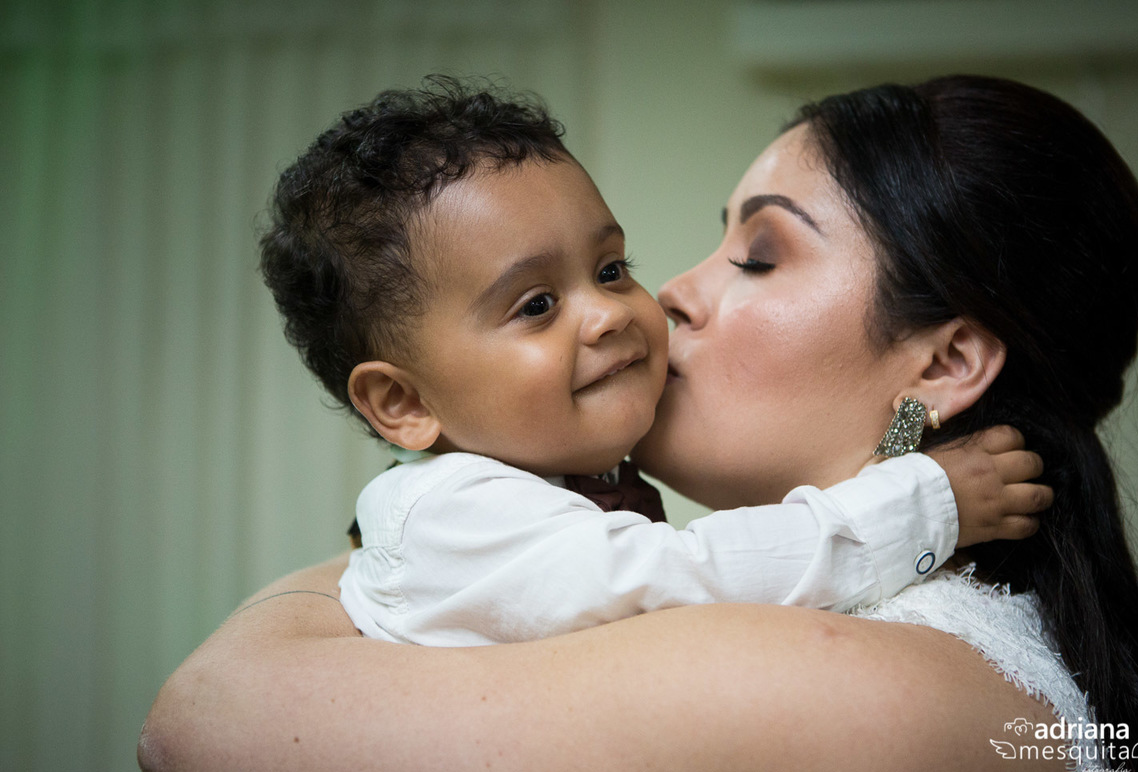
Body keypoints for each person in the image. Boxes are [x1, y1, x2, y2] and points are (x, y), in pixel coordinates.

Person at [139, 75, 1138, 772]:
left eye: (761, 254)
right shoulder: (981, 665)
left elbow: (202, 717)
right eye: (531, 303)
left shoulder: (863, 681)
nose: (666, 298)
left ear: (940, 364)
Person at [258, 81, 1044, 647]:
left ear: (943, 364)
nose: (642, 301)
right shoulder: (457, 513)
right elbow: (688, 575)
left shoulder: (936, 664)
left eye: (609, 269)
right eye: (534, 305)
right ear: (400, 403)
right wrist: (920, 501)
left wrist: (908, 473)